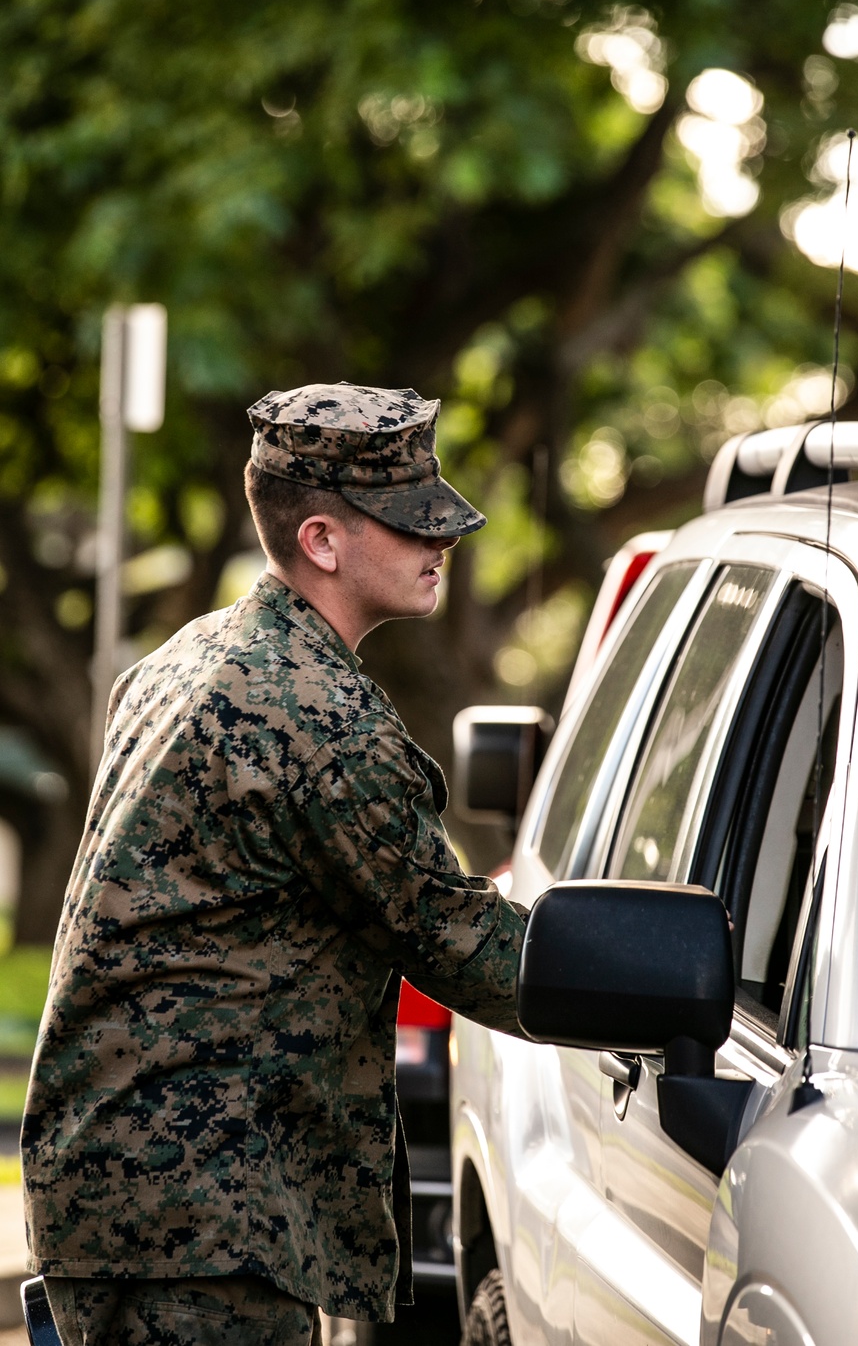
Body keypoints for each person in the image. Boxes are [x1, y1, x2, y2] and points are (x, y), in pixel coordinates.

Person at [21, 384, 527, 1346]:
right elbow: (466, 945)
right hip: (199, 1230)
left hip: (123, 1201)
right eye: (412, 521)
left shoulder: (189, 657)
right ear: (324, 542)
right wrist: (659, 988)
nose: (444, 540)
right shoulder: (316, 718)